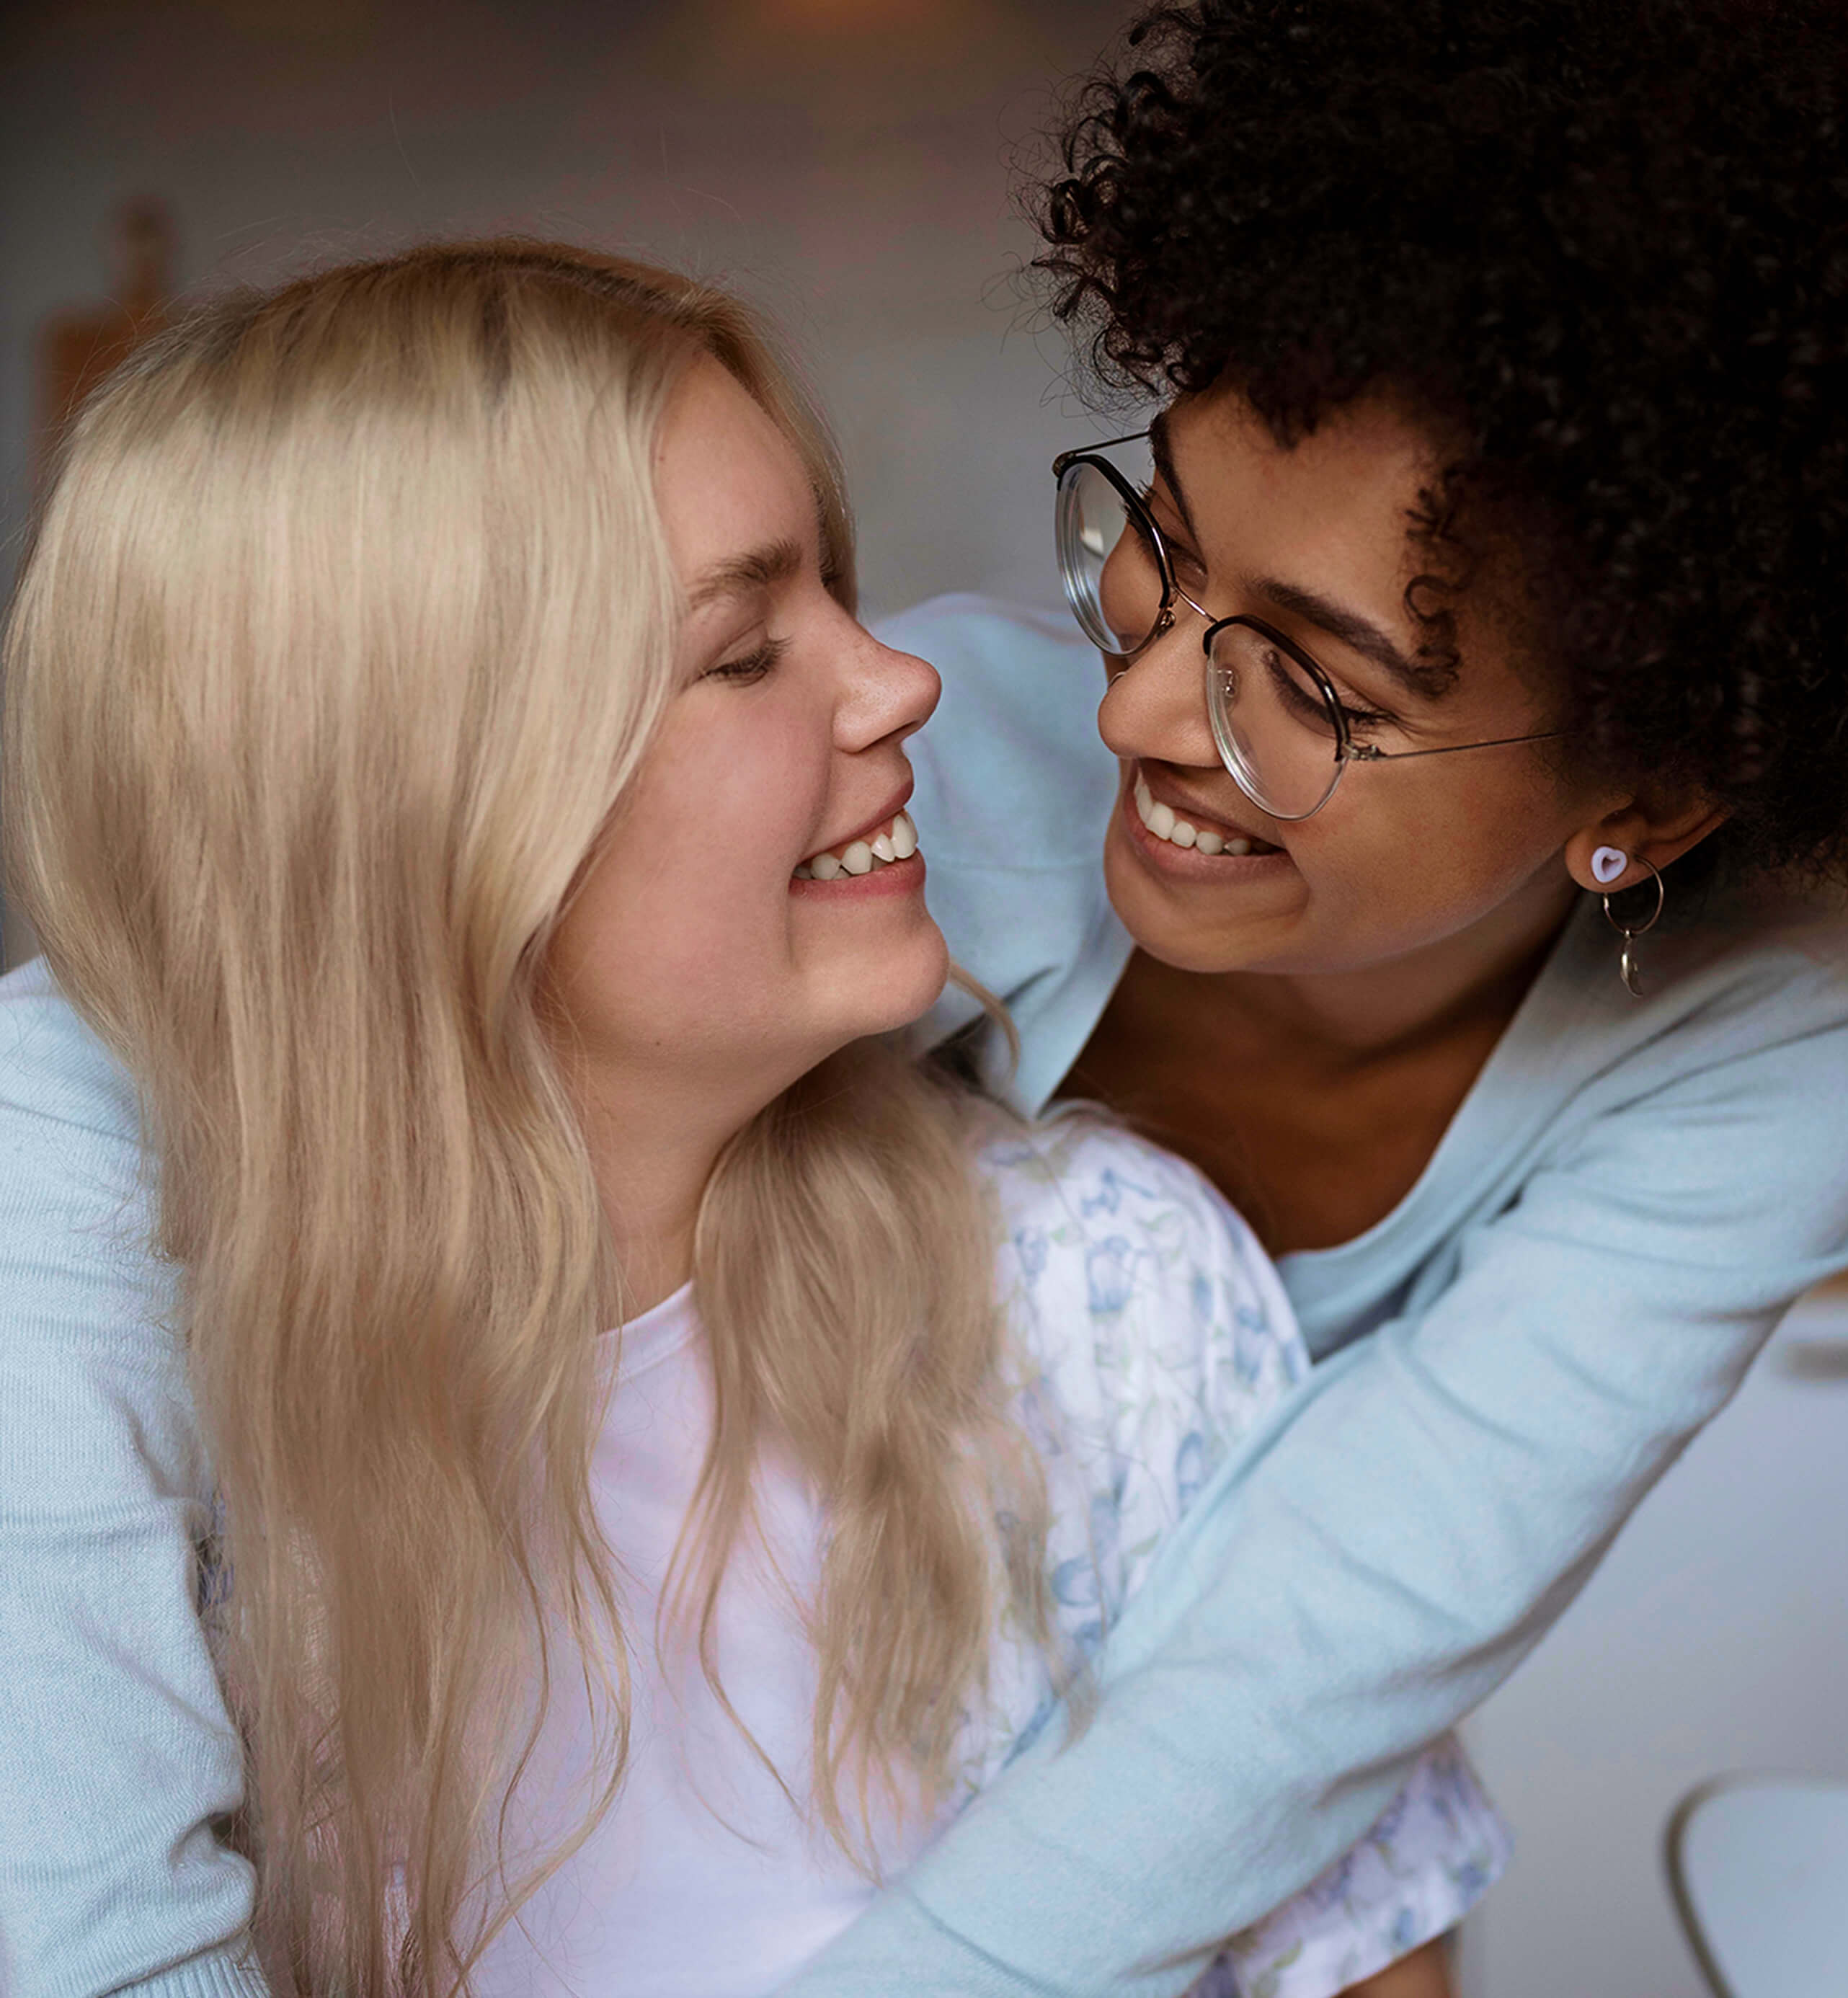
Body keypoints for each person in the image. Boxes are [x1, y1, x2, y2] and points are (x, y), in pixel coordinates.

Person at [0, 243, 1498, 1998]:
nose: (897, 683)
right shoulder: (128, 1407)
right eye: (742, 653)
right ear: (415, 813)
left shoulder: (1108, 1303)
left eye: (840, 595)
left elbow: (1367, 1957)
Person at [768, 0, 1848, 1992]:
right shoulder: (908, 759)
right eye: (1166, 549)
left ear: (1637, 799)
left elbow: (1301, 1680)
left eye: (1312, 683)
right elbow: (120, 1054)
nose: (1133, 707)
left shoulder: (1789, 1042)